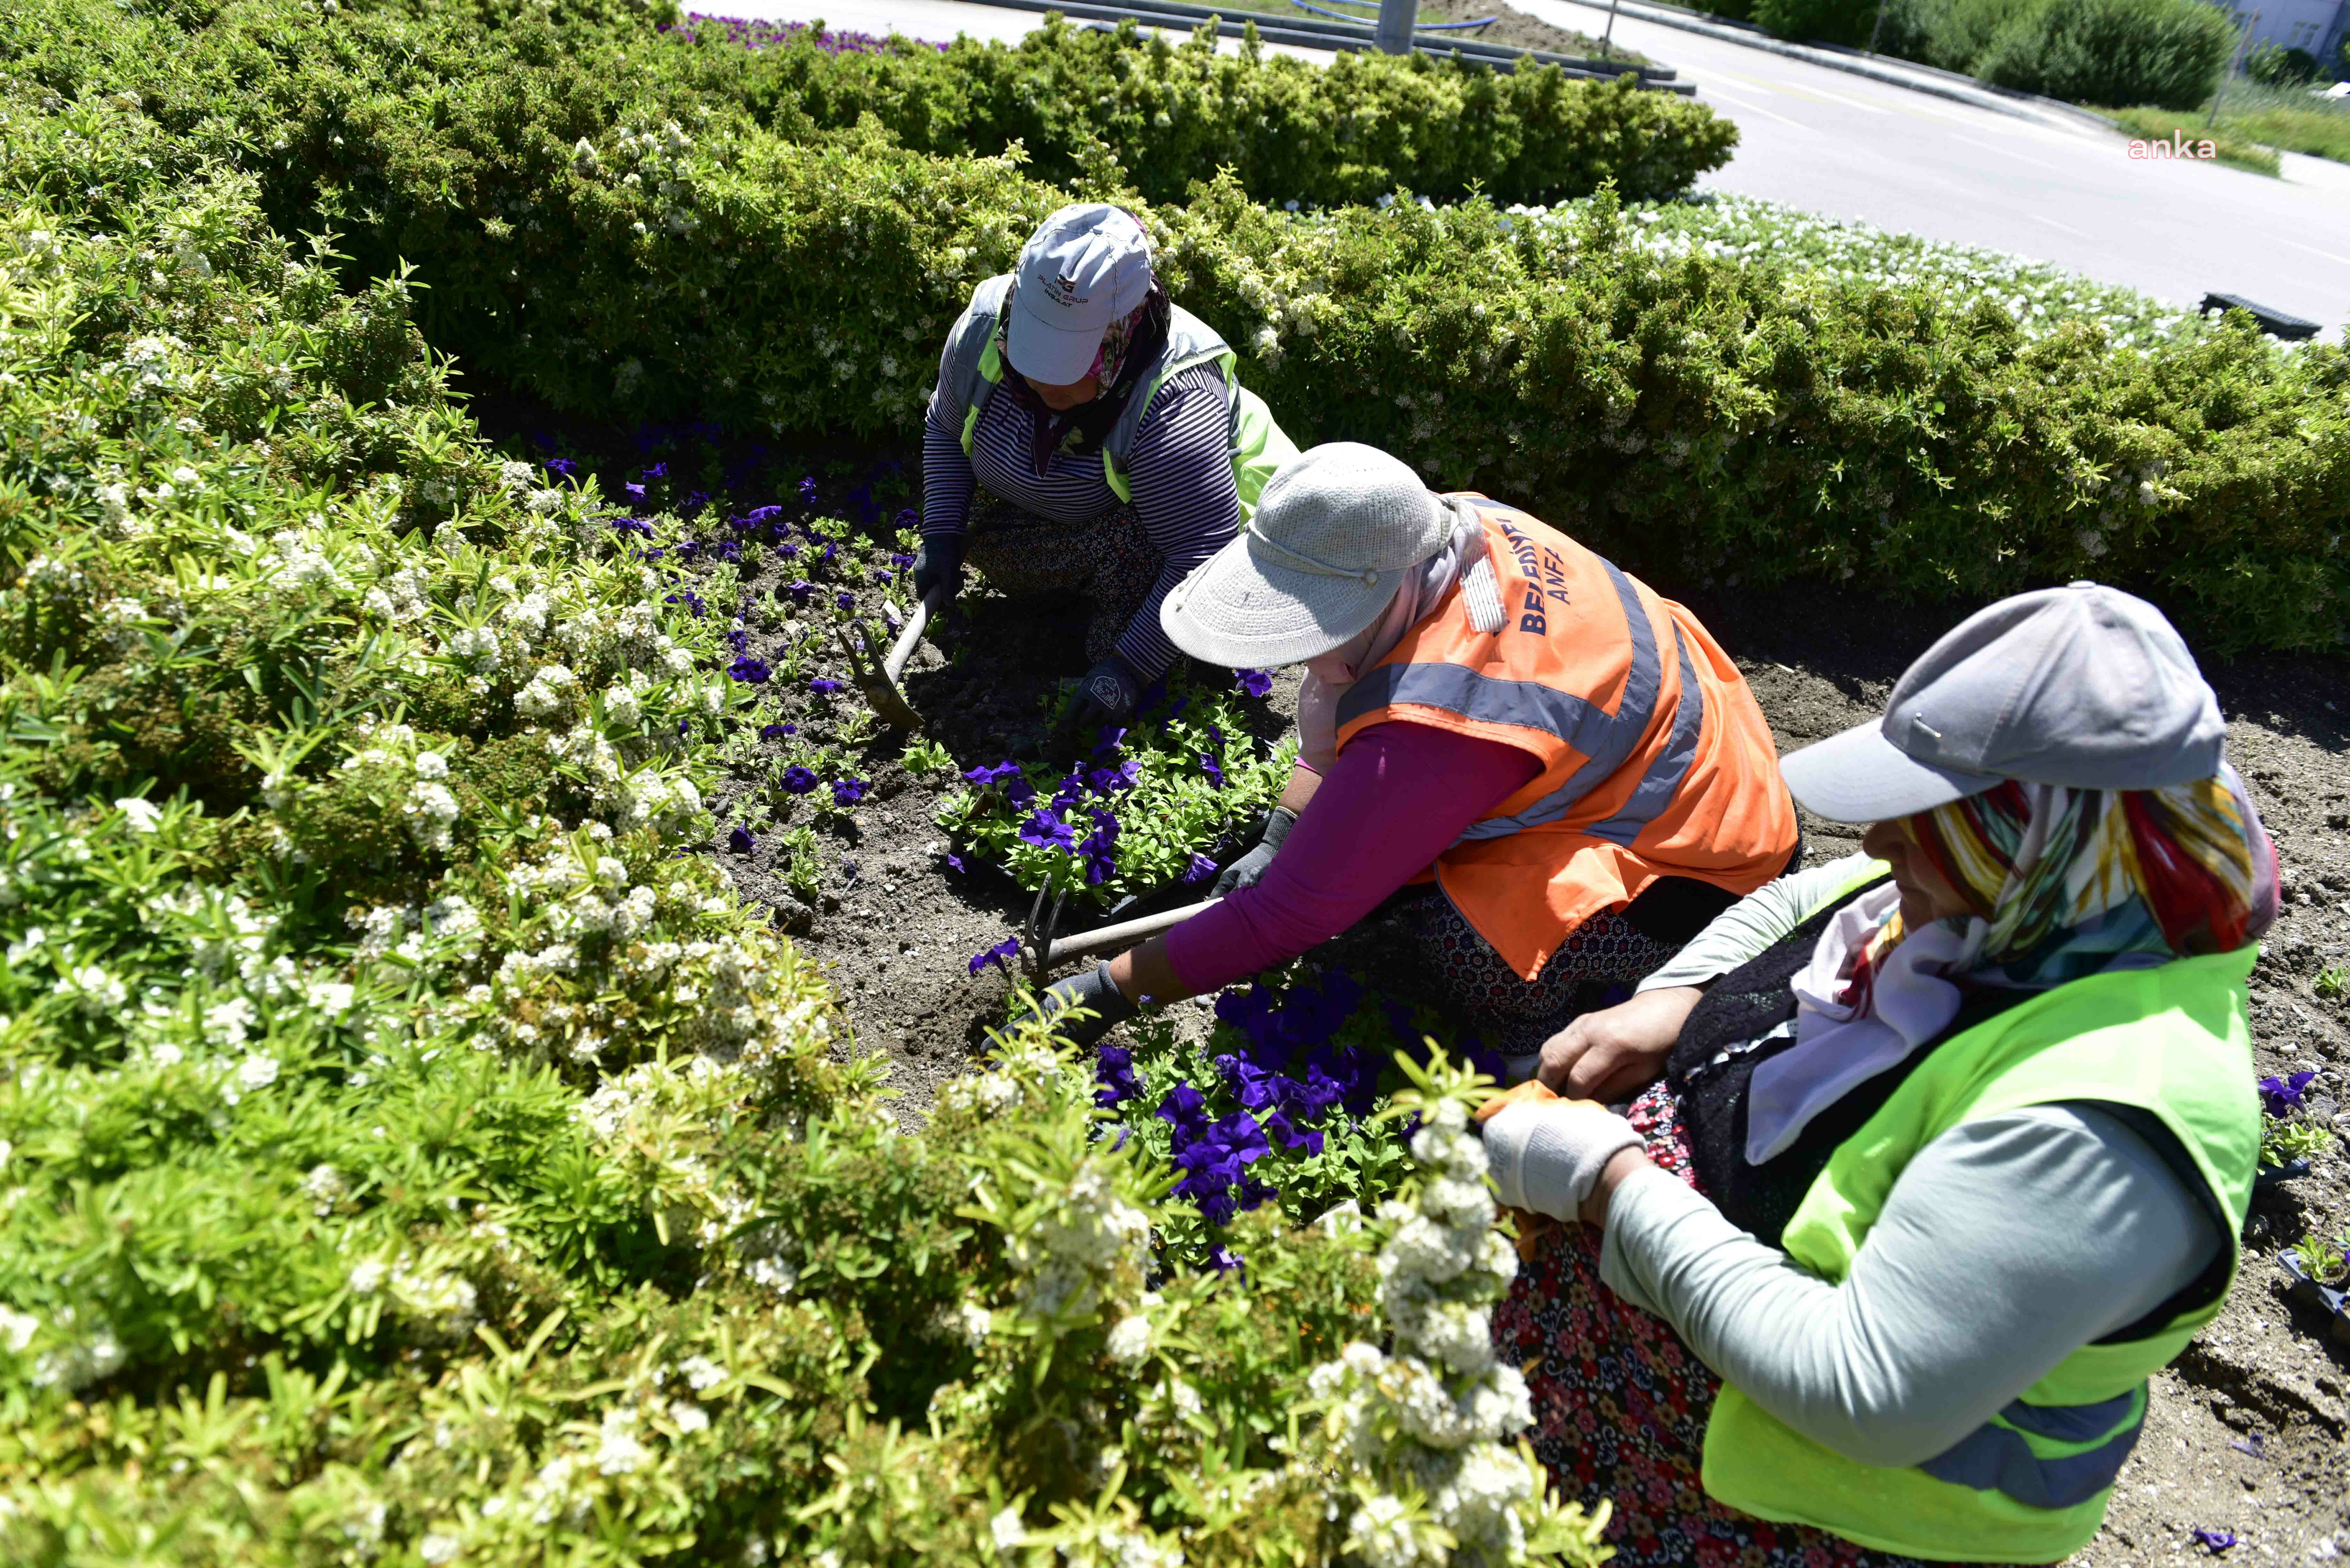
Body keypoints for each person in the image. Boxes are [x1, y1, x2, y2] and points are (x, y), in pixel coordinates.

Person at [1477, 582, 2278, 1568]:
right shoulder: (2040, 909)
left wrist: (1610, 1182)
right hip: (1625, 1412)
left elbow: (1864, 1391)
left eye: (1927, 818)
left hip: (1785, 1520)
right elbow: (1815, 897)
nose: (1878, 840)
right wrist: (1676, 999)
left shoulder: (2104, 1118)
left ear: (2043, 840)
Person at [1040, 441, 1799, 1056]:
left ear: (1373, 593)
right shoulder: (1453, 524)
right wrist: (1281, 834)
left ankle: (1533, 1046)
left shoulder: (1439, 718)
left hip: (1707, 867)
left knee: (1465, 936)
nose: (1301, 645)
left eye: (1314, 618)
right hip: (1705, 747)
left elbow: (1286, 918)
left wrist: (1107, 990)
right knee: (1383, 863)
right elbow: (1333, 697)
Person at [916, 202, 1297, 750]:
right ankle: (1077, 605)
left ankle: (1134, 642)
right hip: (1082, 520)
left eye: (1067, 363)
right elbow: (946, 431)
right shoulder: (983, 327)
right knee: (976, 523)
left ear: (1123, 332)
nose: (1040, 379)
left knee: (1142, 584)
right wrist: (943, 533)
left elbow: (1201, 552)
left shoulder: (1175, 399)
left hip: (1213, 555)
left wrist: (1128, 667)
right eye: (1032, 351)